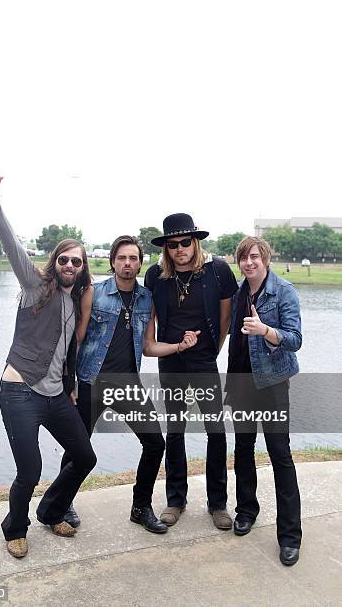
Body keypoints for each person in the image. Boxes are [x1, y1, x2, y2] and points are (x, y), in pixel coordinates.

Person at [0, 156, 96, 559]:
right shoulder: (34, 286)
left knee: (84, 456)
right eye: (64, 259)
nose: (69, 265)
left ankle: (52, 510)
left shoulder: (77, 300)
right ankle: (15, 528)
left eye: (76, 261)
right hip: (20, 392)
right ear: (55, 262)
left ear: (82, 269)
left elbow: (67, 353)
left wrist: (72, 389)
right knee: (30, 471)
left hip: (55, 395)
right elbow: (11, 245)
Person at [60, 235, 199, 533]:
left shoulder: (146, 298)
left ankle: (141, 507)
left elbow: (148, 346)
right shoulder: (93, 293)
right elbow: (77, 339)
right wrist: (68, 381)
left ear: (140, 262)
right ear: (113, 261)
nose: (127, 263)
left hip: (128, 385)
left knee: (154, 443)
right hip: (90, 381)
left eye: (133, 258)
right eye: (122, 258)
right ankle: (62, 502)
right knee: (77, 447)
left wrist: (178, 347)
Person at [144, 213, 238, 529]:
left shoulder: (218, 271)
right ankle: (175, 500)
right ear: (166, 248)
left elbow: (226, 317)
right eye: (173, 244)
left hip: (203, 361)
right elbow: (151, 321)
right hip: (170, 360)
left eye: (186, 242)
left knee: (215, 430)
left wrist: (212, 350)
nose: (180, 249)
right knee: (176, 430)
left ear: (195, 242)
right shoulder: (156, 276)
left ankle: (218, 503)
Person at [226, 236, 302, 566]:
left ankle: (290, 536)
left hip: (271, 385)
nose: (249, 263)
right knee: (243, 450)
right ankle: (246, 510)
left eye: (254, 257)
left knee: (279, 454)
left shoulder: (283, 290)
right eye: (244, 258)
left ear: (265, 258)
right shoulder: (240, 292)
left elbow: (295, 339)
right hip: (241, 382)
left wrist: (265, 330)